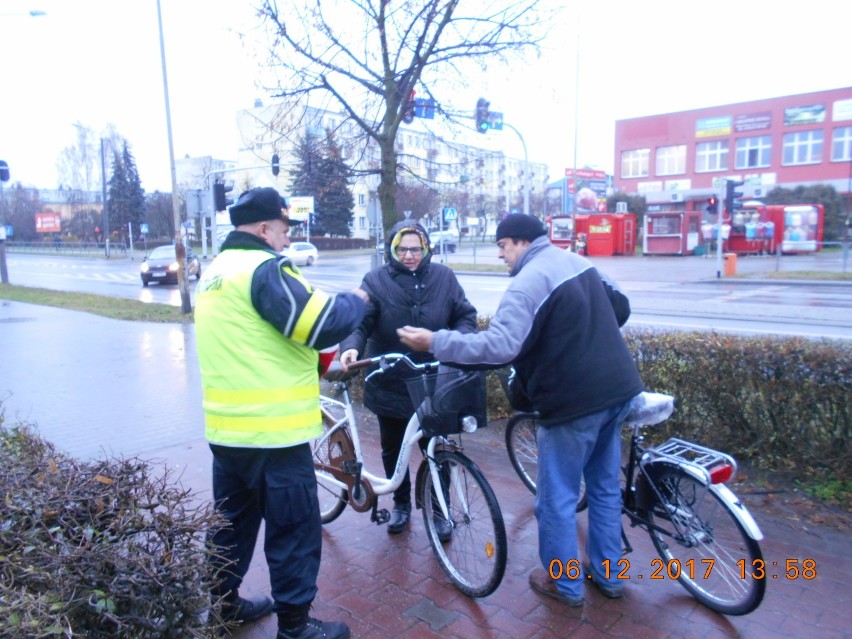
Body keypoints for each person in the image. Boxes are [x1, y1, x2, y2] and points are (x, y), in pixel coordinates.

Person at [397, 214, 643, 606]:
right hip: (618, 392)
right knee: (603, 488)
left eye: (502, 247)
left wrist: (436, 342)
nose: (500, 255)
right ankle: (610, 575)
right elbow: (621, 307)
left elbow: (500, 346)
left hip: (572, 403)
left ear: (518, 242)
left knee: (557, 498)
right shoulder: (579, 262)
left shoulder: (527, 283)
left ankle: (564, 584)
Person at [195, 187, 368, 639]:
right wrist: (359, 300)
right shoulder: (264, 268)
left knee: (230, 527)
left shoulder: (215, 272)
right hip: (274, 438)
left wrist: (322, 362)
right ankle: (296, 628)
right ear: (264, 228)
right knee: (293, 532)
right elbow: (319, 320)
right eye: (284, 230)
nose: (287, 240)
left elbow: (258, 343)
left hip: (228, 436)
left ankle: (224, 605)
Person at [339, 221, 477, 537]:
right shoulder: (375, 281)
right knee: (393, 449)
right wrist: (351, 348)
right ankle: (401, 504)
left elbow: (465, 317)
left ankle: (439, 509)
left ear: (426, 248)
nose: (409, 255)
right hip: (391, 378)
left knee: (436, 447)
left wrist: (457, 344)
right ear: (392, 250)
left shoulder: (444, 277)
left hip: (435, 379)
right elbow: (359, 324)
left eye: (415, 248)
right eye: (402, 249)